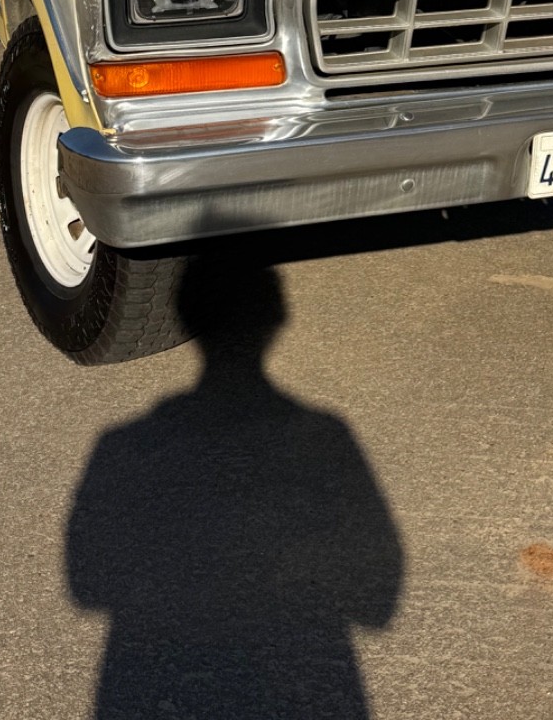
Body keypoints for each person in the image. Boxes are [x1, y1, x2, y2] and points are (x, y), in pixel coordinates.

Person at [66, 261, 403, 719]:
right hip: (299, 679)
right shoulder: (324, 437)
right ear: (277, 322)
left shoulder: (123, 445)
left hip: (159, 676)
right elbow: (377, 600)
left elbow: (87, 586)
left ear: (184, 320)